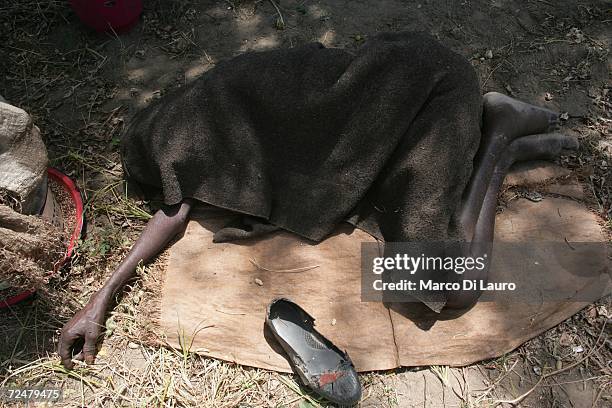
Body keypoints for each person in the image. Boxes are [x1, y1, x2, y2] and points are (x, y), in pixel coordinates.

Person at [58, 32, 577, 369]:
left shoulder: (188, 142)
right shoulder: (206, 104)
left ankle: (500, 140)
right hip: (401, 83)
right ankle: (498, 132)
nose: (177, 198)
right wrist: (97, 303)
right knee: (418, 246)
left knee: (448, 289)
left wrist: (98, 299)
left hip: (427, 93)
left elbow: (171, 216)